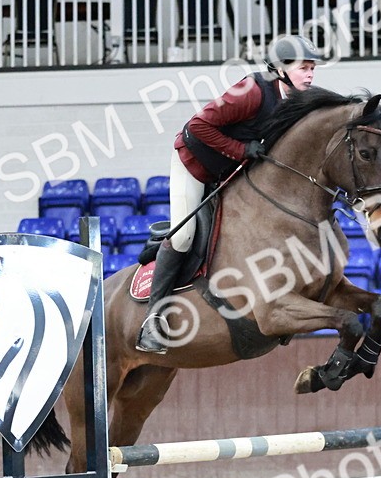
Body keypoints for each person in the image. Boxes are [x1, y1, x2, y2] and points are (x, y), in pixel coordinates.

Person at [136, 34, 321, 353]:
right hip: (194, 164)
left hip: (232, 172)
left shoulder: (299, 103)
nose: (310, 74)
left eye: (312, 68)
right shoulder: (249, 92)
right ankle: (154, 319)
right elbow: (197, 127)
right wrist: (240, 149)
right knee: (183, 236)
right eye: (304, 67)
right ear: (280, 69)